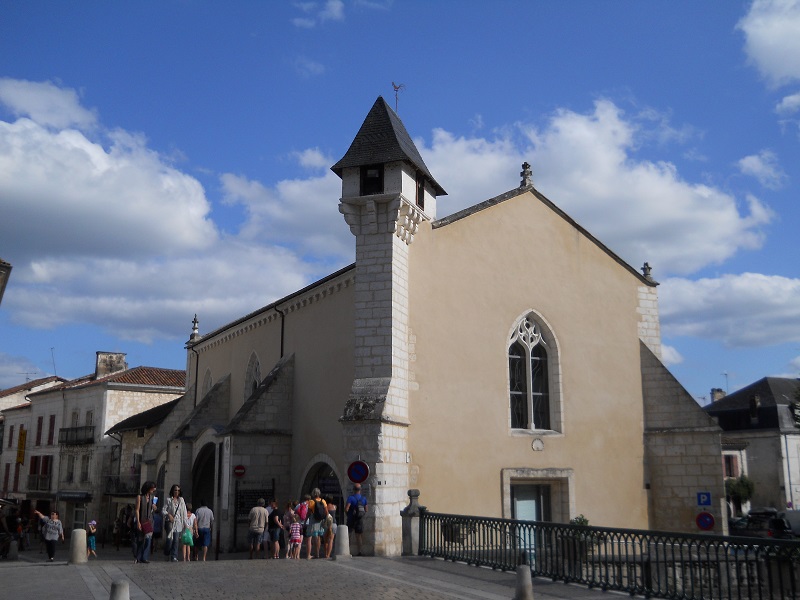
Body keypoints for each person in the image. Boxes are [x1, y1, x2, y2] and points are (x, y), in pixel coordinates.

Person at [162, 483, 187, 563]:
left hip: (178, 522)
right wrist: (168, 514)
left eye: (178, 490)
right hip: (169, 522)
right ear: (172, 491)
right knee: (170, 540)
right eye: (175, 490)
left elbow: (184, 512)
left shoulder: (181, 500)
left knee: (176, 540)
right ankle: (166, 553)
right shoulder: (168, 500)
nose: (177, 492)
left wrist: (185, 523)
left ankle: (174, 556)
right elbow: (163, 510)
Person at [135, 480, 157, 564]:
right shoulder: (140, 497)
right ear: (148, 488)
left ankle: (144, 557)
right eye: (152, 488)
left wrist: (154, 507)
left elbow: (154, 509)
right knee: (140, 540)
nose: (154, 490)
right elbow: (137, 510)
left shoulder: (153, 498)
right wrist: (138, 522)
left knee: (148, 539)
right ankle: (138, 557)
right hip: (142, 520)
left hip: (150, 521)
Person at [345, 483, 368, 556]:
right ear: (360, 490)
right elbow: (366, 509)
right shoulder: (363, 498)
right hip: (359, 519)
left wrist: (348, 514)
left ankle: (347, 550)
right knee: (359, 536)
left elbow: (346, 508)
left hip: (351, 518)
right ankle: (360, 551)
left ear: (353, 490)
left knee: (349, 534)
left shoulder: (351, 498)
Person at [307, 488, 327, 559]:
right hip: (321, 520)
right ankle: (318, 553)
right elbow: (326, 511)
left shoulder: (311, 501)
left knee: (314, 537)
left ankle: (316, 553)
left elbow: (309, 512)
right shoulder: (323, 501)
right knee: (319, 536)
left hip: (314, 519)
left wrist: (306, 520)